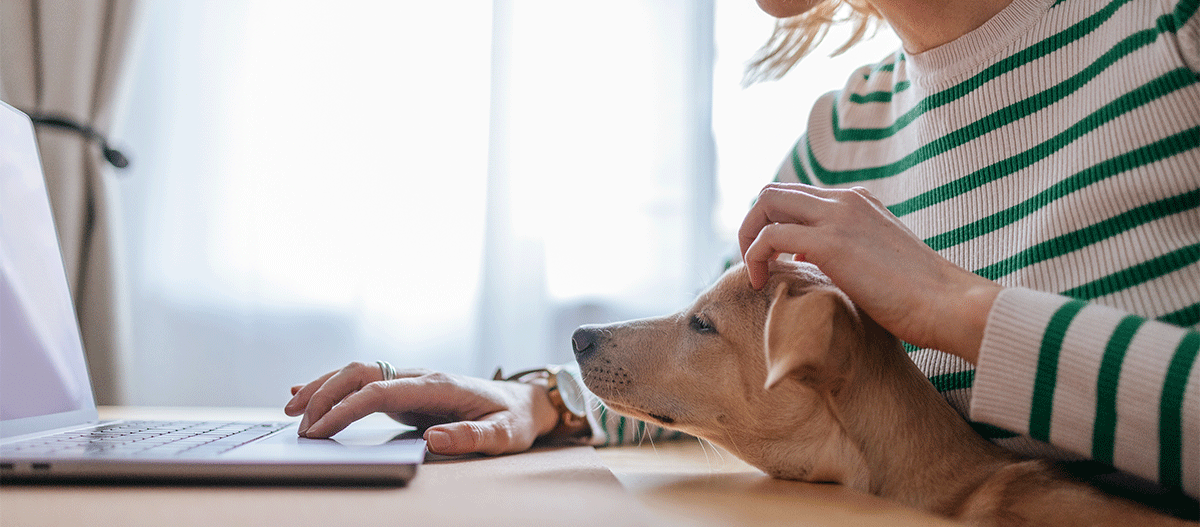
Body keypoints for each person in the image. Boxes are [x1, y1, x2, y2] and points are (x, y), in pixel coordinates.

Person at [285, 0, 1199, 501]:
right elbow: (733, 368)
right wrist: (544, 400)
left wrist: (960, 312)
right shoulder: (847, 134)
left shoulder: (1174, 34)